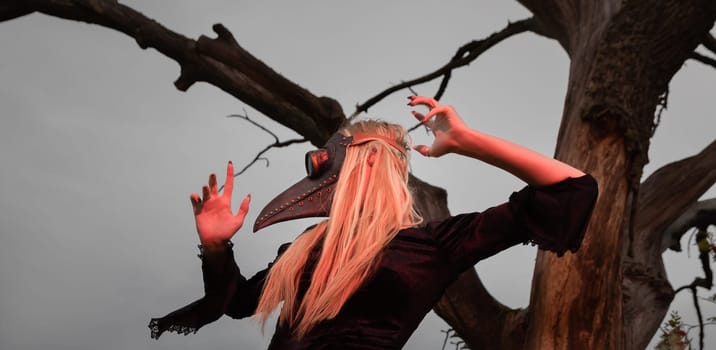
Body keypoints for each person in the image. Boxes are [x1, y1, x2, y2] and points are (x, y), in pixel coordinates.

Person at [149, 96, 598, 349]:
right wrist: (214, 248)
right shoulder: (305, 248)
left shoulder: (431, 246)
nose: (324, 165)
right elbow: (236, 300)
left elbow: (572, 189)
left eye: (342, 154)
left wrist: (468, 141)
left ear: (371, 165)